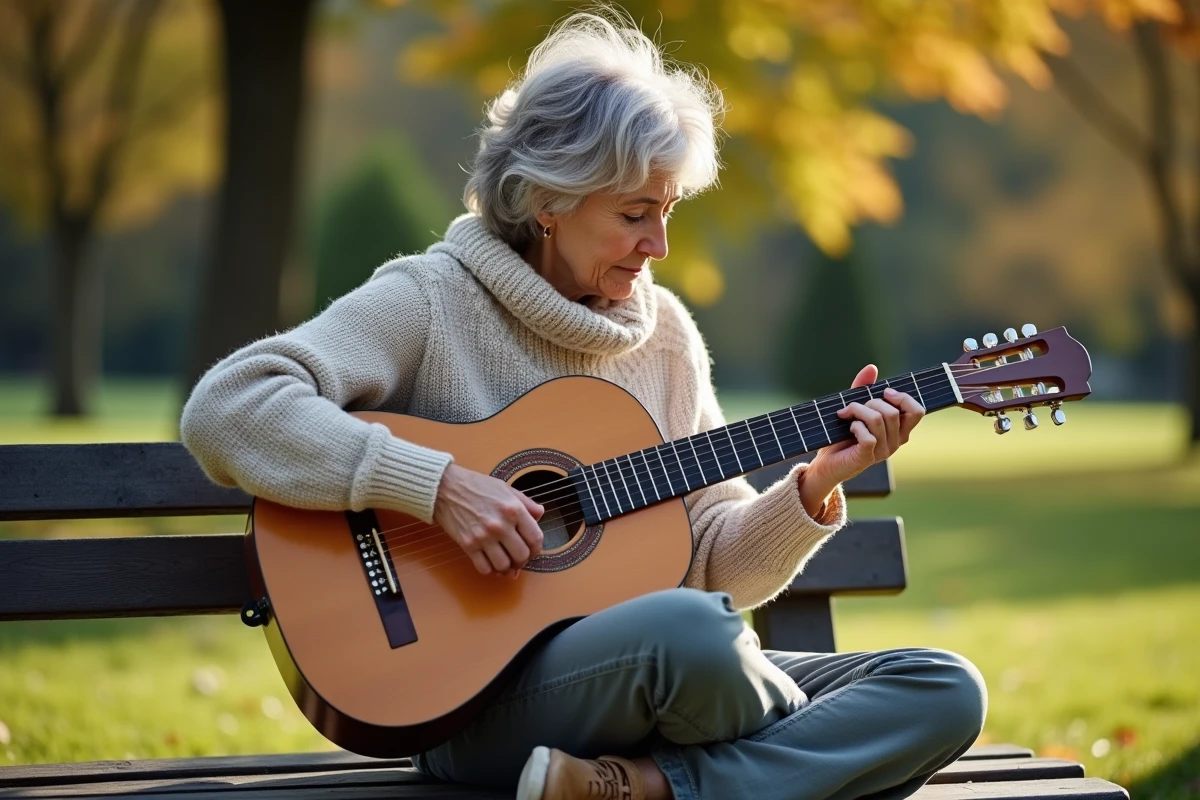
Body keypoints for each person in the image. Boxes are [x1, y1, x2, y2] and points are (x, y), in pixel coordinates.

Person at [180, 10, 986, 800]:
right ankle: (755, 773)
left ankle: (636, 788)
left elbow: (715, 564)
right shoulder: (429, 299)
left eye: (667, 212)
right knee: (699, 639)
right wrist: (435, 487)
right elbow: (228, 408)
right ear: (547, 199)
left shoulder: (664, 337)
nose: (659, 245)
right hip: (471, 705)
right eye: (635, 214)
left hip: (661, 684)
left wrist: (813, 488)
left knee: (943, 687)